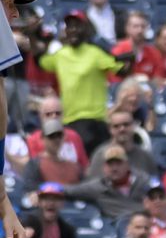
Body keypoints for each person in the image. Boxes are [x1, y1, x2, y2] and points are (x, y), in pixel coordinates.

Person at [33, 11, 125, 152]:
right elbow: (40, 62)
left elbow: (120, 69)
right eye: (69, 26)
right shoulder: (61, 55)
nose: (73, 30)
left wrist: (127, 58)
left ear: (86, 29)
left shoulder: (95, 53)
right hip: (70, 121)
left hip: (95, 120)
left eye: (77, 26)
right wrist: (40, 38)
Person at [66, 144, 153, 219]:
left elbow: (162, 198)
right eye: (110, 164)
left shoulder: (144, 181)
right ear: (104, 167)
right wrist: (52, 187)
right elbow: (68, 190)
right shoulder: (98, 187)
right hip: (115, 231)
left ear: (127, 165)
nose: (114, 168)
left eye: (118, 163)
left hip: (144, 227)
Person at [87, 110, 156, 178]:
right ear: (110, 129)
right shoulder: (100, 155)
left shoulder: (145, 157)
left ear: (134, 126)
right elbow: (93, 185)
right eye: (116, 126)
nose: (122, 129)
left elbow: (154, 185)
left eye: (126, 125)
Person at [22, 119, 84, 187]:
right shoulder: (35, 165)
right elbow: (30, 190)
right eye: (52, 136)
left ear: (64, 137)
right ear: (43, 138)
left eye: (59, 135)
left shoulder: (74, 167)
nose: (56, 139)